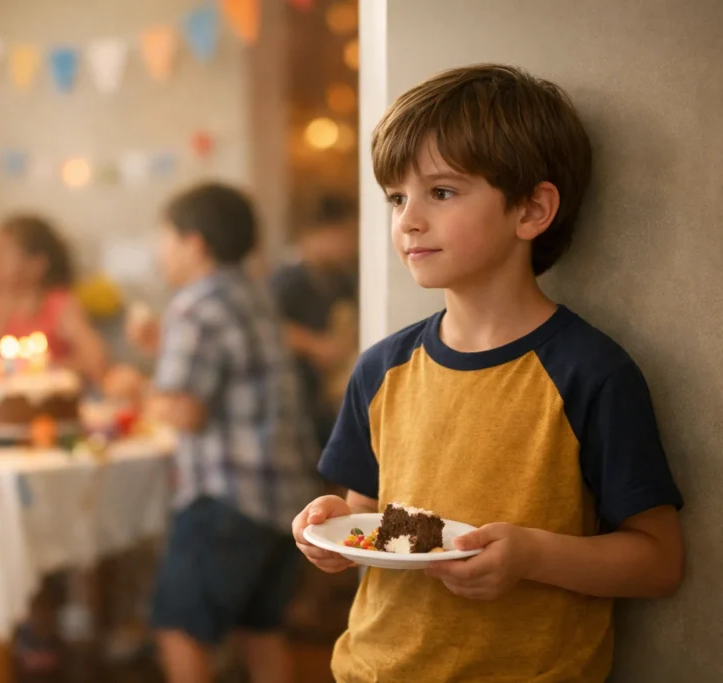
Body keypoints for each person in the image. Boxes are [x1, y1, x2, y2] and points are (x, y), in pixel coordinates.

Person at [291, 64, 685, 682]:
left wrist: (531, 556)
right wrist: (328, 531)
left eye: (440, 193)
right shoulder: (381, 368)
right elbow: (363, 518)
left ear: (532, 210)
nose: (407, 220)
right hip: (373, 670)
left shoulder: (591, 372)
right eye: (397, 197)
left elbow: (660, 563)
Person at [129, 182, 319, 683]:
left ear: (195, 244)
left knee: (179, 627)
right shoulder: (251, 292)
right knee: (262, 630)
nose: (160, 251)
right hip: (283, 497)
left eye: (165, 238)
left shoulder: (194, 304)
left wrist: (132, 389)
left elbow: (186, 411)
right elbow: (230, 375)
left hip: (227, 499)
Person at [0, 214, 106, 384]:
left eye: (2, 253)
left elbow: (96, 361)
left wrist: (40, 368)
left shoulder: (59, 304)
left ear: (37, 264)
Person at [271, 194, 359, 450]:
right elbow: (271, 329)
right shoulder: (287, 280)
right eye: (344, 234)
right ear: (317, 232)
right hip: (296, 401)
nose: (350, 243)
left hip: (329, 399)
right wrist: (317, 346)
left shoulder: (342, 278)